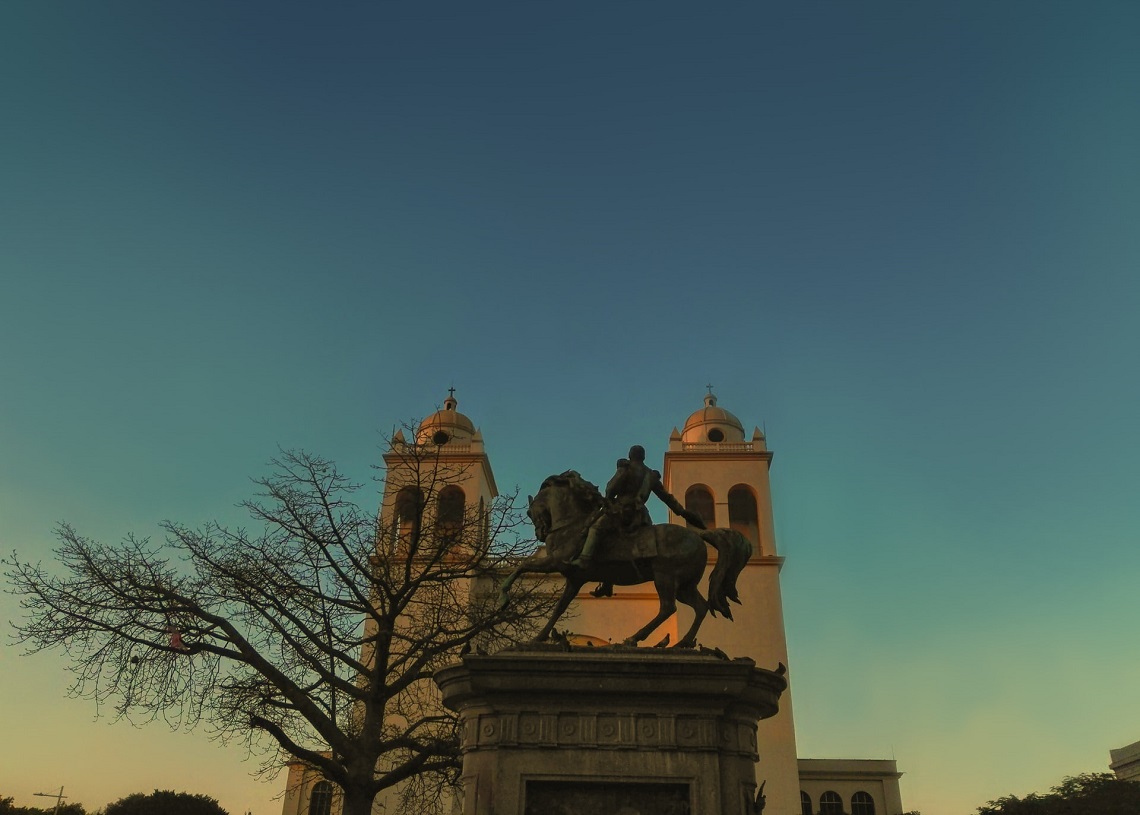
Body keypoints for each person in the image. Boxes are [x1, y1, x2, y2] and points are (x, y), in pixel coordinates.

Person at [569, 445, 706, 569]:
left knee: (596, 528)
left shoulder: (626, 468)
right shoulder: (650, 475)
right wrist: (681, 512)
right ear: (643, 457)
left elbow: (611, 488)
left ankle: (584, 559)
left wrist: (611, 493)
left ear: (630, 455)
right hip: (640, 515)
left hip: (620, 510)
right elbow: (666, 497)